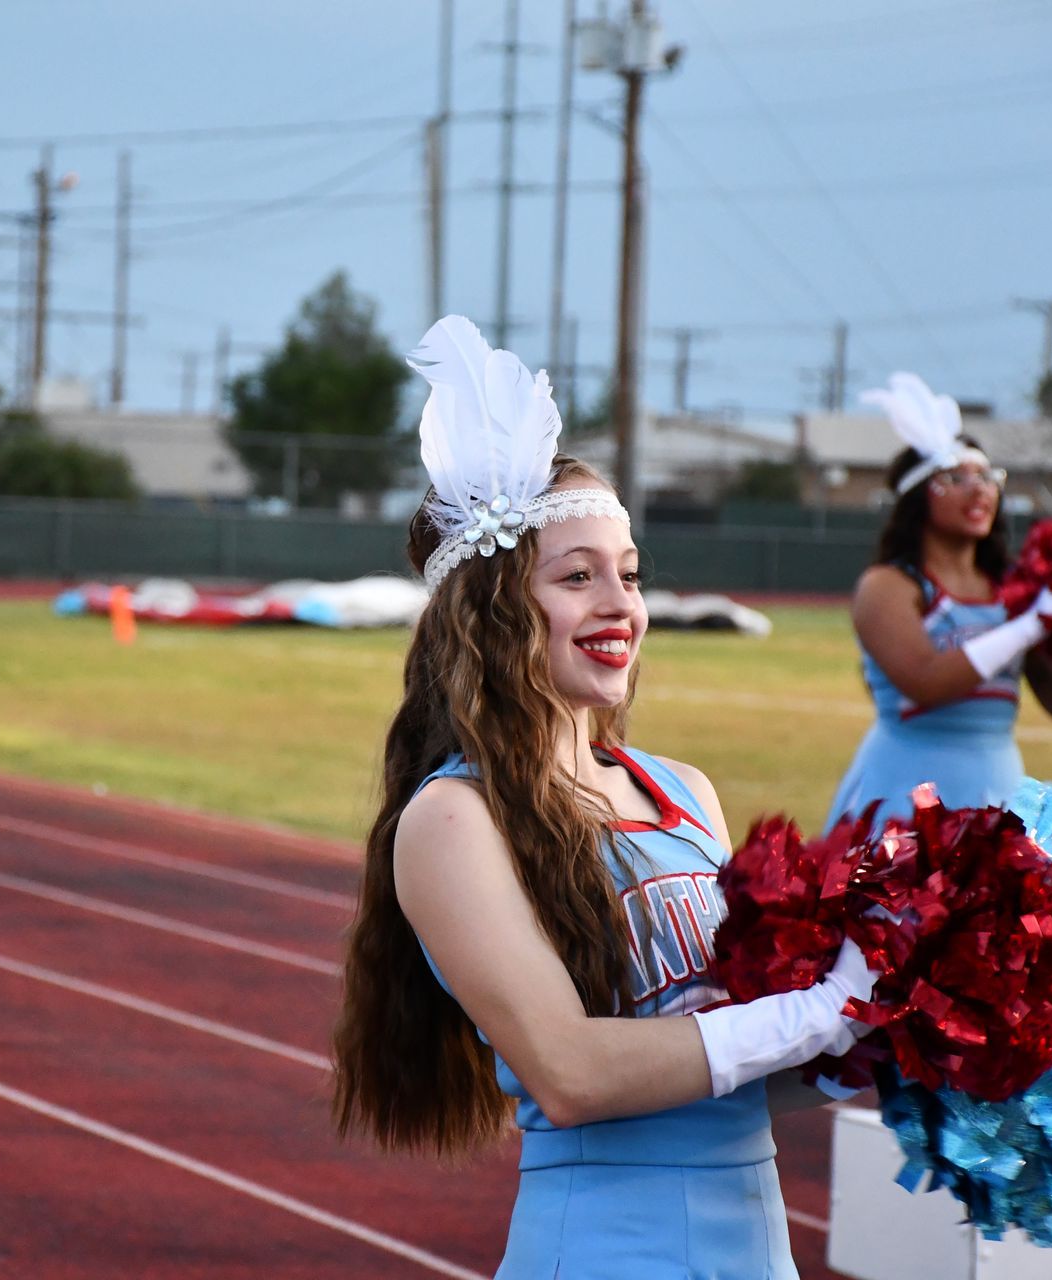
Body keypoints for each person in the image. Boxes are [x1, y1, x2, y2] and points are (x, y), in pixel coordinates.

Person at [333, 316, 870, 1279]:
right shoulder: (453, 819)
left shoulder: (684, 791)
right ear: (497, 612)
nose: (620, 604)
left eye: (627, 575)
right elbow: (572, 1075)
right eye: (576, 578)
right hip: (604, 1251)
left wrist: (894, 1018)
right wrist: (824, 1011)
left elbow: (742, 1073)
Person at [825, 373, 1052, 830]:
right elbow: (925, 683)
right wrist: (1031, 625)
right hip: (904, 799)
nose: (980, 490)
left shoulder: (1013, 590)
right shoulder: (888, 586)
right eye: (957, 478)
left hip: (999, 792)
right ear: (918, 497)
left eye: (988, 476)